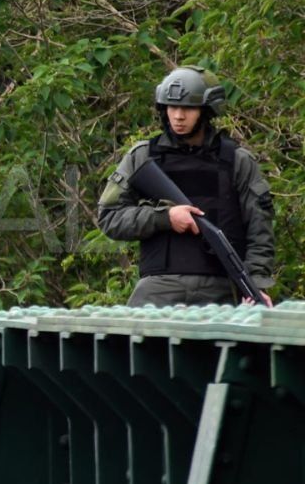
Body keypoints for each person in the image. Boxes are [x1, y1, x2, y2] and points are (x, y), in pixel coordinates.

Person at [98, 65, 275, 307]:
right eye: (172, 107)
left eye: (188, 108)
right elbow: (109, 217)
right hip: (159, 287)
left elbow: (260, 229)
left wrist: (256, 285)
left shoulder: (237, 160)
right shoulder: (142, 157)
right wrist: (165, 217)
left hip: (223, 287)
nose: (178, 116)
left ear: (206, 111)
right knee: (127, 340)